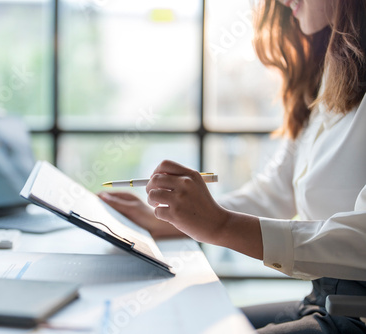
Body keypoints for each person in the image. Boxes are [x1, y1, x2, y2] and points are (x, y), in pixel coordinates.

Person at [99, 0, 366, 333]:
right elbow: (275, 190)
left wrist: (221, 225)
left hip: (357, 314)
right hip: (325, 299)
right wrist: (177, 218)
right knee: (190, 321)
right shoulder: (329, 73)